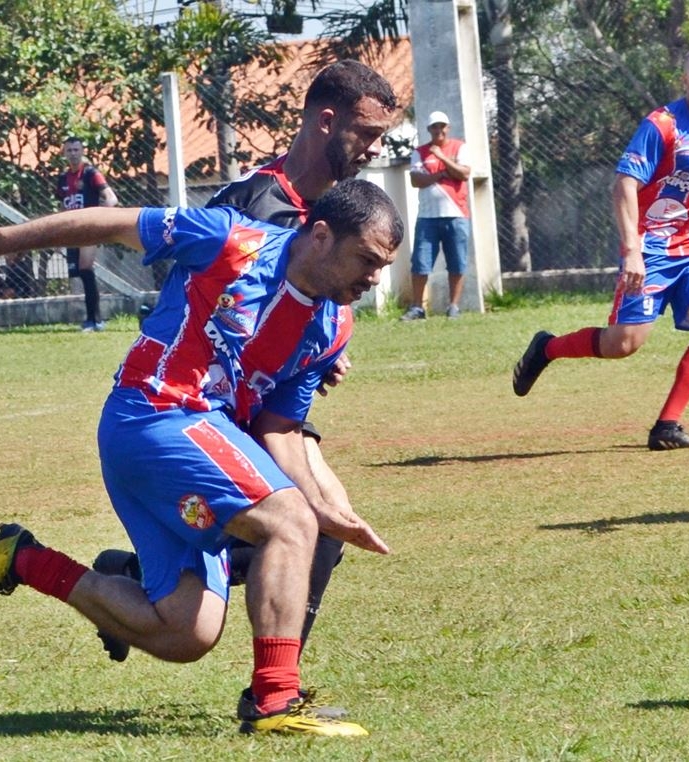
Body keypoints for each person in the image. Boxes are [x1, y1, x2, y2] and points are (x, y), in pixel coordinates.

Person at [0, 178, 403, 736]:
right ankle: (276, 702)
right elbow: (107, 224)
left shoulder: (332, 328)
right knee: (287, 524)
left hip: (185, 439)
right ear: (320, 236)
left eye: (383, 265)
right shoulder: (228, 239)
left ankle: (20, 558)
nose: (375, 278)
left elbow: (280, 430)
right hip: (154, 413)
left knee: (184, 632)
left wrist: (324, 507)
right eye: (367, 259)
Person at [92, 60, 399, 671]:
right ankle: (270, 684)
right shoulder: (251, 203)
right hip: (206, 398)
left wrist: (321, 349)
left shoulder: (351, 214)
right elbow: (205, 299)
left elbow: (308, 312)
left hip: (271, 396)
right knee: (304, 521)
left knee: (320, 527)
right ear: (327, 122)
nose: (375, 148)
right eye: (366, 134)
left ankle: (146, 587)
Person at [512, 46, 689, 450]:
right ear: (685, 80)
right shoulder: (662, 124)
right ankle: (547, 348)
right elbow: (624, 184)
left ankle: (667, 426)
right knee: (623, 344)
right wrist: (632, 252)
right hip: (652, 245)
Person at [400, 110, 472, 320]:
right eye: (434, 127)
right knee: (420, 263)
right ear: (429, 129)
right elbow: (416, 180)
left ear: (447, 128)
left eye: (442, 126)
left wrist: (441, 157)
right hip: (428, 217)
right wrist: (442, 173)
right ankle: (417, 307)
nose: (438, 130)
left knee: (457, 263)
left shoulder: (459, 147)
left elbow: (464, 173)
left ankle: (453, 307)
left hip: (456, 215)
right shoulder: (420, 152)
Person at [55, 136, 118, 331]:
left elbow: (111, 198)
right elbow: (62, 204)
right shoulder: (63, 179)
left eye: (76, 150)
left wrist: (99, 219)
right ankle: (92, 319)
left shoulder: (91, 174)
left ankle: (95, 320)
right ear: (64, 153)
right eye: (69, 150)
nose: (73, 153)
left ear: (82, 151)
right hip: (71, 229)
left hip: (88, 229)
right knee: (80, 273)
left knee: (85, 269)